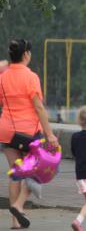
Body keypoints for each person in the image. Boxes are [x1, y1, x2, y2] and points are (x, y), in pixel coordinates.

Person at [0, 39, 59, 229]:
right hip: (29, 133)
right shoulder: (31, 77)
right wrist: (49, 134)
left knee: (15, 173)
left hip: (7, 131)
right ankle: (18, 205)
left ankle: (15, 221)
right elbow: (39, 107)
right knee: (37, 170)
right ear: (26, 54)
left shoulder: (3, 77)